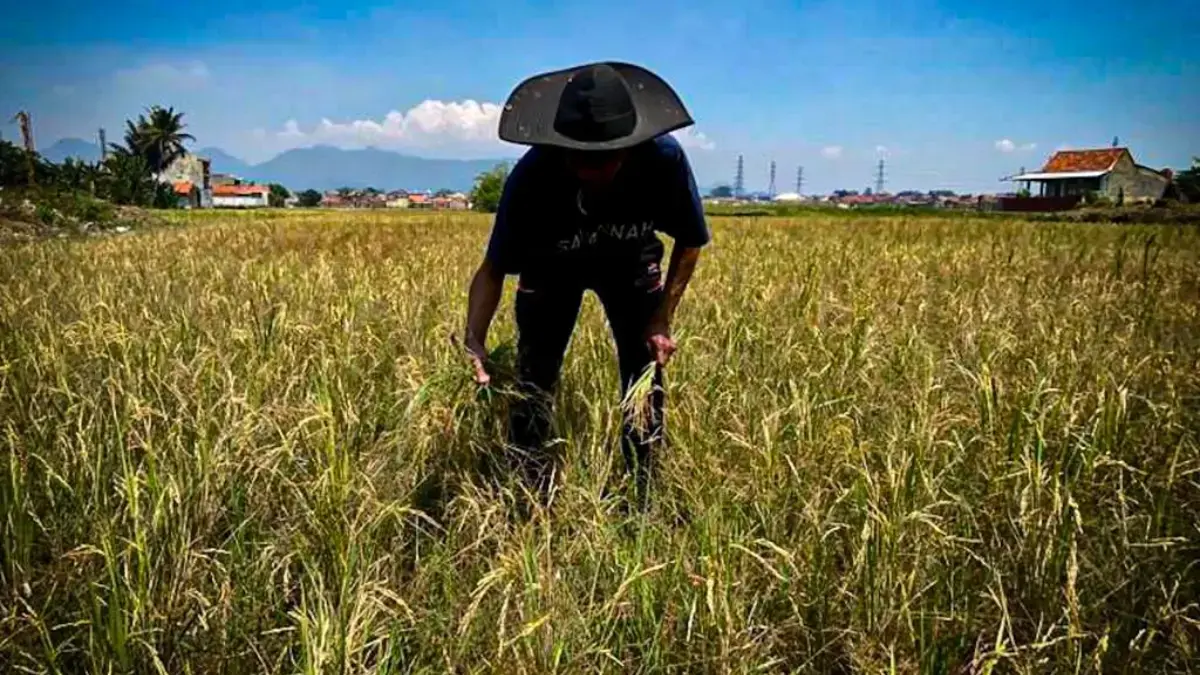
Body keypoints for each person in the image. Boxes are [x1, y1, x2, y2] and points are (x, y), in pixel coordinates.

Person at [461, 61, 711, 507]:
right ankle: (527, 489)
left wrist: (661, 318)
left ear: (630, 145)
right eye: (581, 160)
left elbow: (690, 240)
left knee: (644, 375)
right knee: (533, 375)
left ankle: (642, 491)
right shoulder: (532, 175)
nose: (592, 171)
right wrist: (474, 339)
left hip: (630, 263)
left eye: (606, 159)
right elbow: (494, 267)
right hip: (551, 266)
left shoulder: (663, 159)